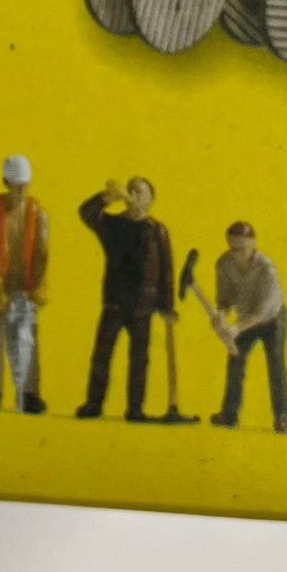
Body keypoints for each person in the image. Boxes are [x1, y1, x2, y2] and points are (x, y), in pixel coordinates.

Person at [74, 176, 175, 422]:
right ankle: (94, 403)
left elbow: (166, 270)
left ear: (151, 199)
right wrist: (106, 198)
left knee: (139, 359)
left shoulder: (157, 230)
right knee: (102, 353)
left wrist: (166, 305)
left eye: (140, 192)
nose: (134, 195)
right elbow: (86, 213)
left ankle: (135, 408)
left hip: (143, 306)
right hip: (115, 302)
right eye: (131, 191)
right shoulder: (113, 225)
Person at [0, 155, 49, 414]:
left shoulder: (37, 212)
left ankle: (30, 394)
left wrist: (39, 284)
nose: (20, 192)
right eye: (16, 186)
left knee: (29, 339)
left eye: (24, 187)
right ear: (6, 182)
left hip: (26, 284)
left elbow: (42, 251)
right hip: (0, 283)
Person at [210, 221, 287, 433]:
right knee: (235, 360)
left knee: (275, 363)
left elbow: (261, 312)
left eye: (241, 249)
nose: (236, 254)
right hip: (245, 318)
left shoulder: (266, 269)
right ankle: (229, 414)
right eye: (232, 248)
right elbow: (224, 298)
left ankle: (282, 417)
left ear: (253, 244)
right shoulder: (223, 263)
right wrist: (220, 316)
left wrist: (235, 328)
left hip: (272, 319)